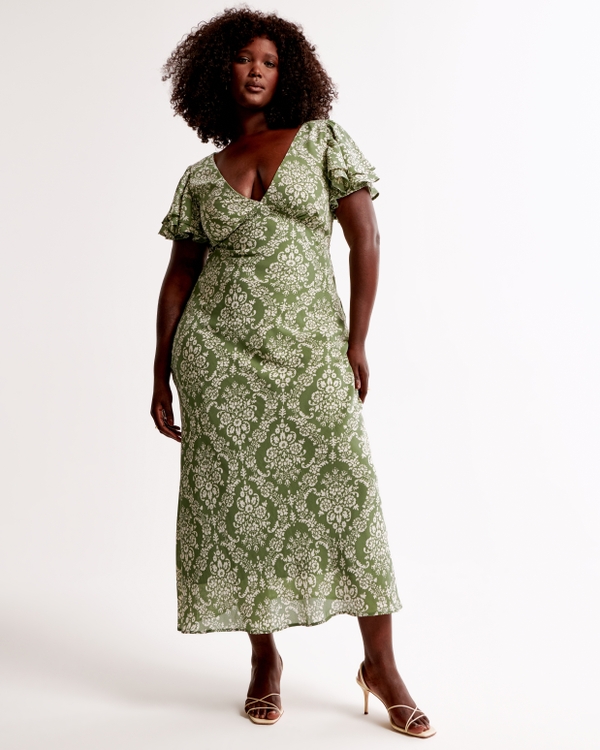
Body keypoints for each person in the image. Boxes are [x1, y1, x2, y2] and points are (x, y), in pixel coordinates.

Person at [151, 7, 434, 738]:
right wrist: (160, 372)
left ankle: (382, 667)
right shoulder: (198, 179)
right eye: (244, 58)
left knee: (349, 497)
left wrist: (357, 342)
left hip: (311, 355)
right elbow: (179, 277)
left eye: (269, 61)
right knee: (242, 509)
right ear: (219, 71)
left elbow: (366, 238)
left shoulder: (322, 140)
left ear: (289, 74)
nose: (256, 70)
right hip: (219, 362)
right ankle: (264, 659)